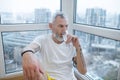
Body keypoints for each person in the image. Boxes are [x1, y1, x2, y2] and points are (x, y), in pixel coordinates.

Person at [21, 12, 87, 80]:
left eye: (66, 26)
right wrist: (28, 54)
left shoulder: (72, 43)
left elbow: (83, 71)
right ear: (51, 26)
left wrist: (78, 47)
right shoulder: (43, 40)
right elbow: (28, 48)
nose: (64, 30)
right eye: (61, 26)